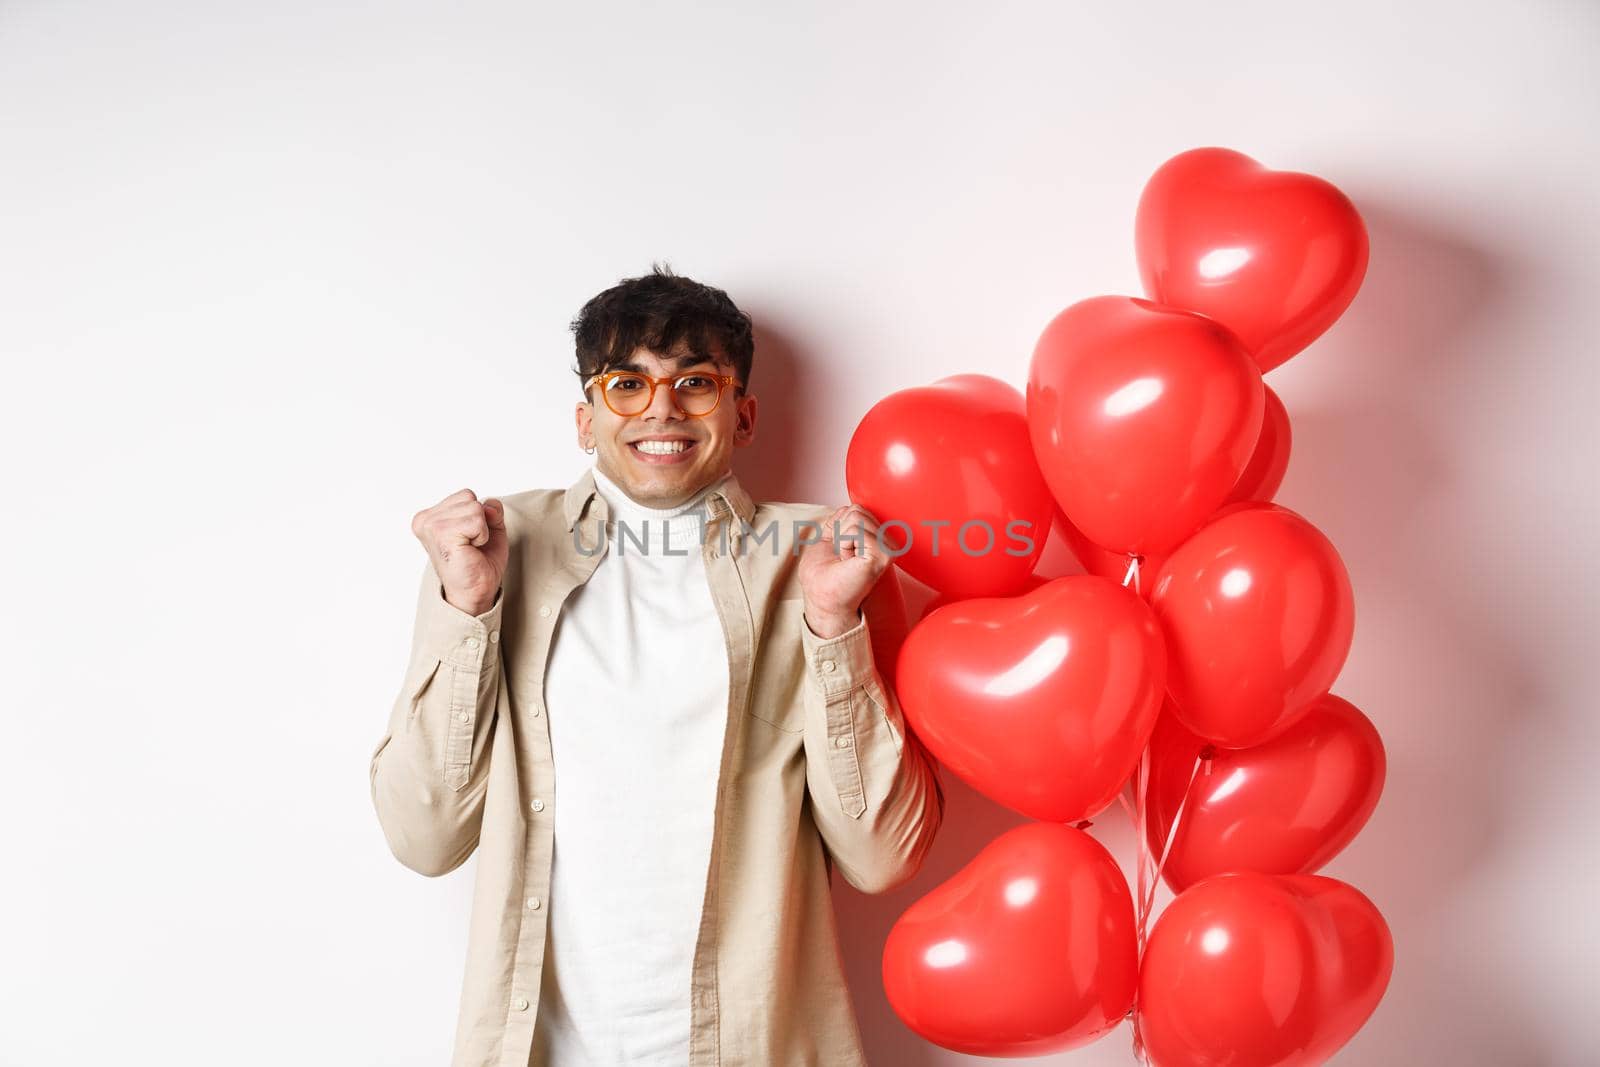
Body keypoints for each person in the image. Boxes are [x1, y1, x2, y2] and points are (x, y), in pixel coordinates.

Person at [369, 262, 946, 1066]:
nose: (662, 409)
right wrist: (467, 608)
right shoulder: (494, 550)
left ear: (743, 415)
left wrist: (831, 622)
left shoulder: (822, 558)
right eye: (626, 384)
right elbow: (424, 835)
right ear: (585, 418)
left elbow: (882, 854)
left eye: (696, 383)